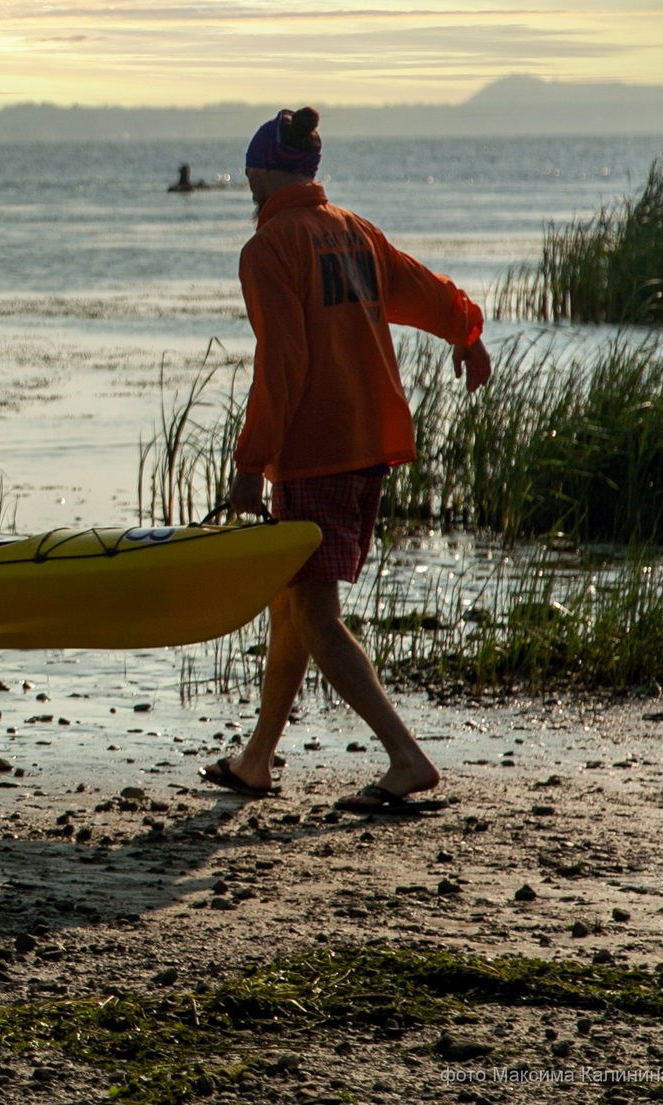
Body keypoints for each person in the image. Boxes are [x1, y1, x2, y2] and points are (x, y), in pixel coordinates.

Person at [200, 108, 490, 815]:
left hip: (316, 451)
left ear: (264, 172)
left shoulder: (268, 246)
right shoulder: (351, 230)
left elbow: (284, 361)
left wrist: (250, 462)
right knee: (292, 602)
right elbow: (419, 288)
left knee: (315, 614)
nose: (247, 183)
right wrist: (466, 330)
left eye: (248, 173)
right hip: (369, 441)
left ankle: (405, 757)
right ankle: (256, 759)